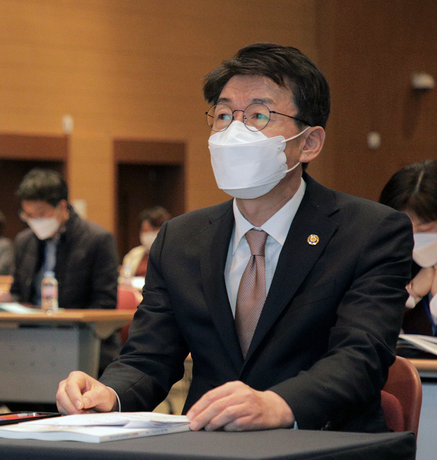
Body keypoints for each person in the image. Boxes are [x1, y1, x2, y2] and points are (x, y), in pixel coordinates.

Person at [56, 43, 414, 433]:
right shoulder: (180, 238)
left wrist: (279, 405)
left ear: (309, 143)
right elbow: (149, 357)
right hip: (209, 443)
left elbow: (361, 357)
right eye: (224, 115)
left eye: (259, 115)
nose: (235, 131)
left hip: (323, 442)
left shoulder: (369, 232)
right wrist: (109, 393)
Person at [0, 168, 120, 372]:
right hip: (32, 339)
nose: (35, 221)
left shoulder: (98, 240)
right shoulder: (24, 241)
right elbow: (18, 293)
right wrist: (6, 299)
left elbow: (105, 304)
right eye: (28, 215)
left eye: (41, 214)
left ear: (62, 206)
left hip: (82, 341)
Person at [380, 159, 437, 336]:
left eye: (424, 230)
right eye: (404, 229)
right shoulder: (387, 258)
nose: (413, 238)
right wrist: (412, 294)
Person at [120, 206, 172, 280]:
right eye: (145, 230)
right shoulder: (133, 254)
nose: (148, 234)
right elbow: (124, 278)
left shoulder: (173, 255)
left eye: (153, 230)